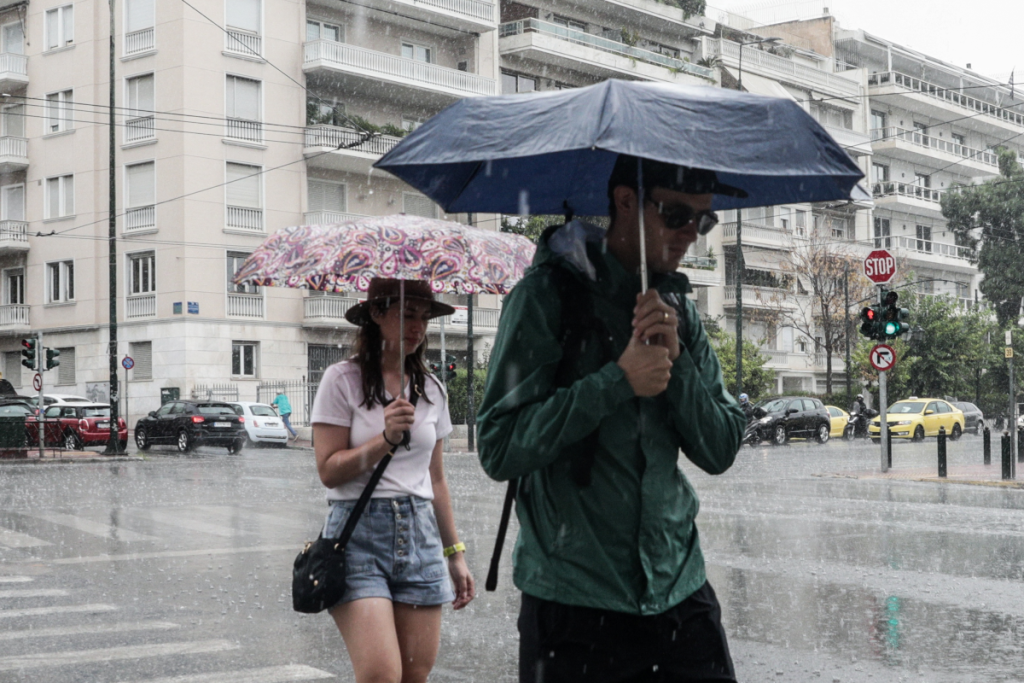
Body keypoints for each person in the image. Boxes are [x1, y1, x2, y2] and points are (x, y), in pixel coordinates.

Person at [478, 155, 747, 683]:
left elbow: (721, 448)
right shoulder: (545, 298)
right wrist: (616, 381)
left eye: (703, 220)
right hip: (574, 604)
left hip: (679, 591)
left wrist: (678, 365)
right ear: (625, 201)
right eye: (677, 215)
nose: (691, 234)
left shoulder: (679, 309)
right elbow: (499, 446)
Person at [310, 278, 475, 683]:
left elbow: (436, 479)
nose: (418, 327)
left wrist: (455, 554)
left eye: (424, 317)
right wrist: (384, 440)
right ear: (376, 314)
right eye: (407, 315)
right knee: (381, 674)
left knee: (414, 675)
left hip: (420, 536)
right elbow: (329, 471)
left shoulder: (432, 390)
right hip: (357, 537)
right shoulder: (341, 380)